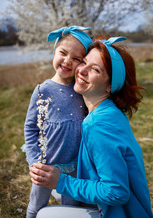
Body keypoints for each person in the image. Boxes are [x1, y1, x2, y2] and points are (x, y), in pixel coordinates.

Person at [29, 36, 153, 218]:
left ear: (110, 86)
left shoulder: (98, 125)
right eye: (84, 62)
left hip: (116, 213)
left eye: (95, 69)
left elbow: (116, 192)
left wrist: (62, 181)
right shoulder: (110, 111)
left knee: (43, 215)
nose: (81, 70)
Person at [24, 25, 93, 218]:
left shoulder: (81, 91)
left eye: (76, 58)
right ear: (54, 52)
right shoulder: (42, 90)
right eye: (63, 53)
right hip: (46, 163)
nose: (67, 61)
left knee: (72, 207)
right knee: (36, 204)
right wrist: (34, 161)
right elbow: (30, 128)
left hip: (73, 165)